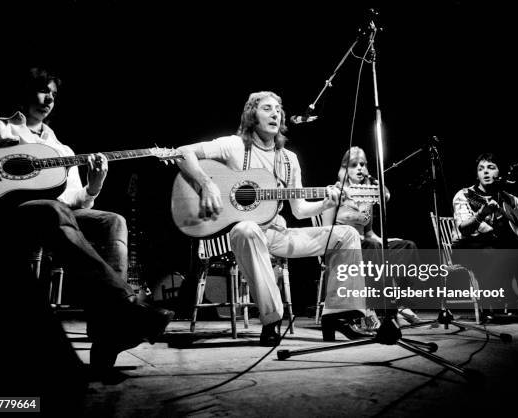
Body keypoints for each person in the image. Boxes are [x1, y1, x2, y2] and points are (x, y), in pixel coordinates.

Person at [0, 67, 173, 380]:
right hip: (2, 214)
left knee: (111, 221)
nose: (49, 99)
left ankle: (107, 338)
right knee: (51, 210)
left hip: (51, 213)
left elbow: (76, 202)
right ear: (25, 92)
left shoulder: (62, 151)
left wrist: (94, 186)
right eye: (42, 90)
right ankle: (125, 310)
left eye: (54, 94)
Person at [176, 91, 369, 345]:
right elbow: (182, 153)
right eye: (267, 108)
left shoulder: (289, 160)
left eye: (278, 109)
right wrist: (206, 185)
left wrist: (326, 202)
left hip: (278, 234)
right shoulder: (234, 146)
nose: (275, 113)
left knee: (348, 235)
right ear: (252, 115)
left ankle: (339, 315)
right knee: (247, 228)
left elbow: (299, 210)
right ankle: (272, 319)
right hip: (243, 236)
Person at [322, 147, 421, 327]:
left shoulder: (368, 195)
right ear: (345, 168)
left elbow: (369, 233)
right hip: (343, 247)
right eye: (354, 165)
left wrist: (387, 241)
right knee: (372, 247)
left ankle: (402, 304)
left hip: (366, 244)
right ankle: (372, 307)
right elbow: (326, 231)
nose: (359, 168)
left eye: (362, 164)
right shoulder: (336, 192)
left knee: (407, 246)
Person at [452, 152, 518, 316]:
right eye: (481, 169)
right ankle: (497, 298)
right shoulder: (464, 195)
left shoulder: (505, 196)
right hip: (467, 247)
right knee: (493, 252)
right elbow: (464, 228)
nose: (485, 172)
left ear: (499, 174)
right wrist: (481, 214)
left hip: (497, 244)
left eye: (490, 168)